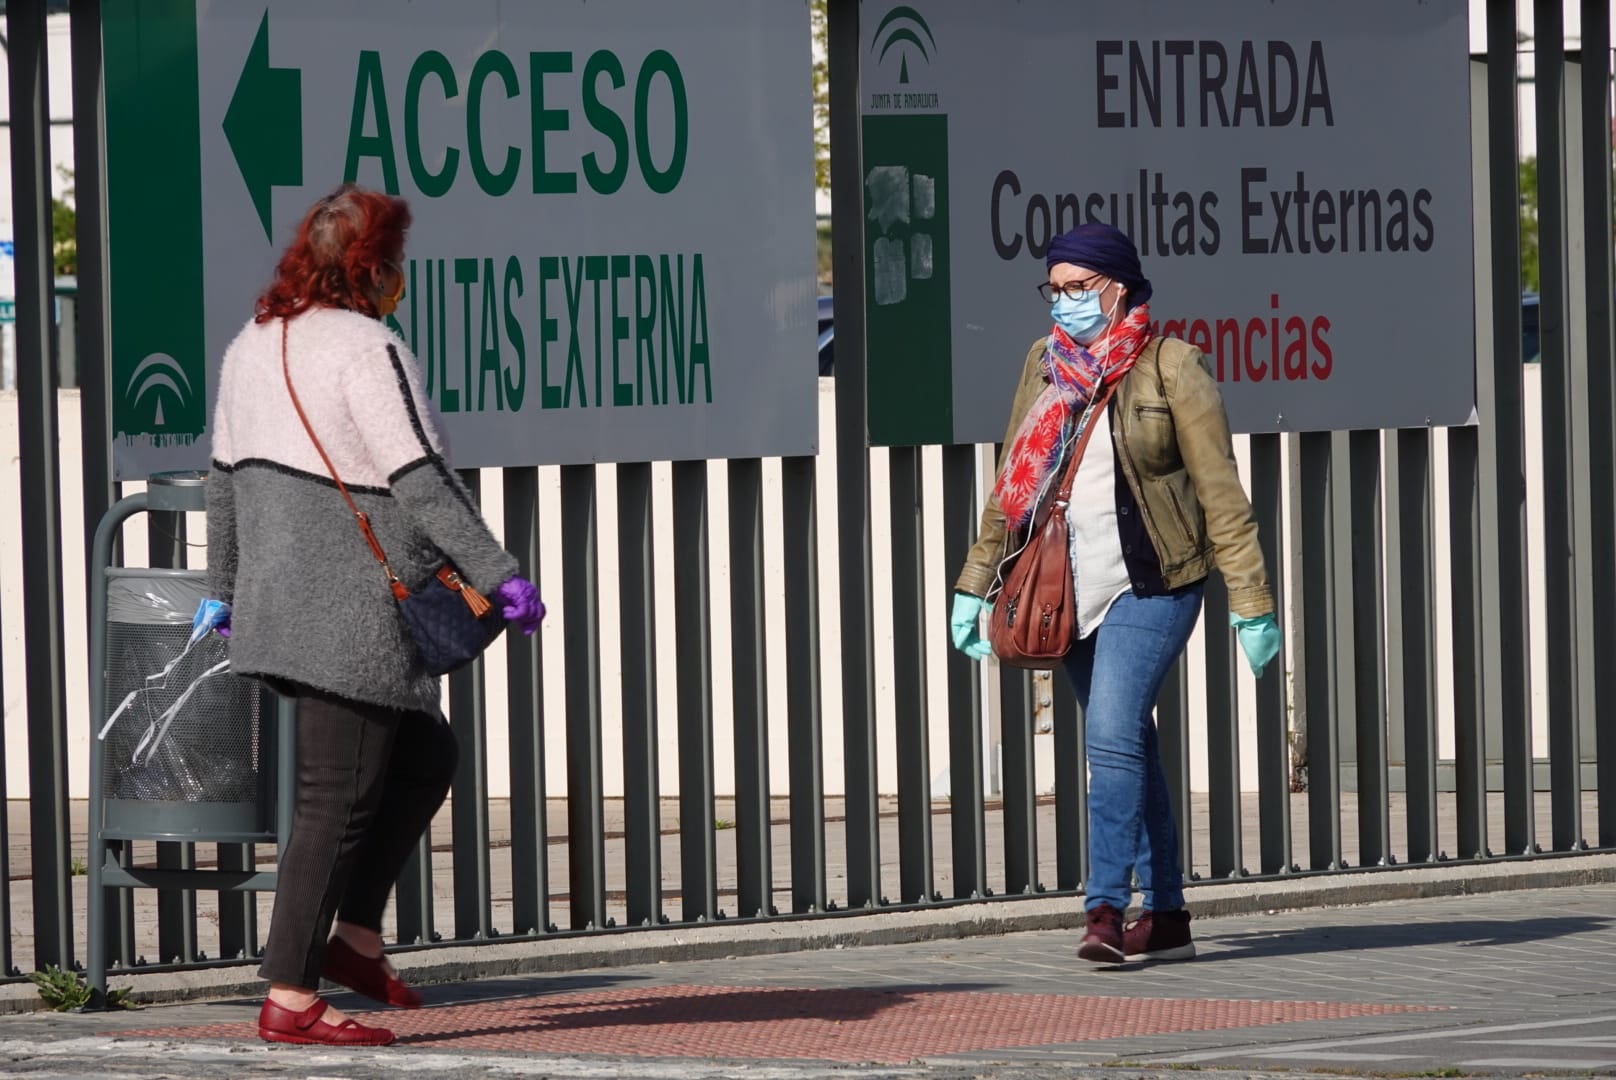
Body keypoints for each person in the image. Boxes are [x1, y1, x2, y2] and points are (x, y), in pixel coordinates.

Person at [205, 184, 546, 1045]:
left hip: (280, 598)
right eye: (397, 265)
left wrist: (225, 585)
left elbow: (222, 479)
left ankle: (354, 936)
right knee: (337, 795)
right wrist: (499, 574)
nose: (402, 279)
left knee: (425, 750)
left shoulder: (251, 344)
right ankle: (290, 996)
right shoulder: (369, 347)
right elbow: (420, 479)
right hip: (349, 607)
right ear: (377, 269)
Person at [949, 223, 1277, 965]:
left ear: (1118, 286)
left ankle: (1103, 907)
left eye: (1077, 288)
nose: (1063, 303)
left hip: (1154, 584)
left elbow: (1220, 493)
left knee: (1109, 734)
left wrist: (1251, 603)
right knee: (1130, 743)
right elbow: (1014, 484)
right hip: (1066, 591)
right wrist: (974, 584)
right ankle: (1167, 918)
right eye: (1054, 289)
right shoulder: (1044, 364)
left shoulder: (1172, 368)